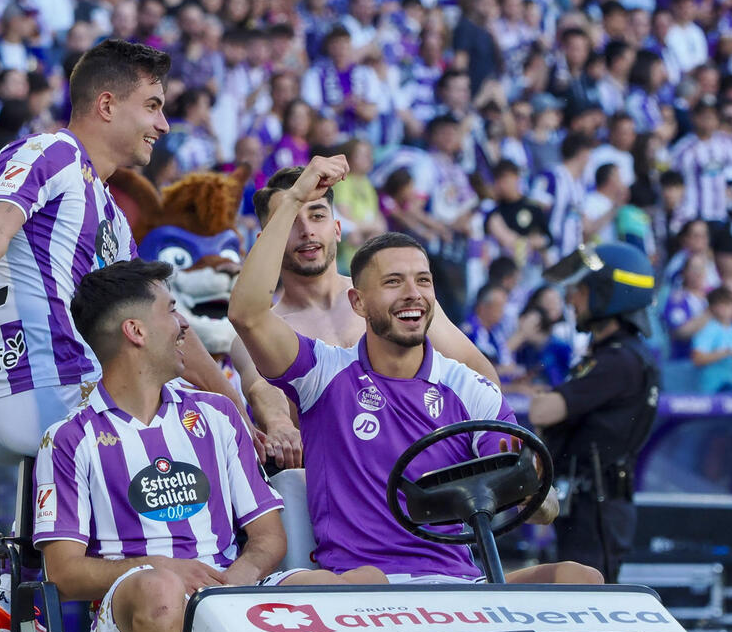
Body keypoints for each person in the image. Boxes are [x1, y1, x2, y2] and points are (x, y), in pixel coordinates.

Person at [35, 260, 382, 632]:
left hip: (225, 583)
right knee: (161, 589)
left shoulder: (217, 413)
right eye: (171, 311)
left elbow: (268, 538)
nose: (183, 326)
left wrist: (238, 580)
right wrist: (164, 568)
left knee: (358, 584)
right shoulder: (69, 438)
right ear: (135, 331)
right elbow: (63, 573)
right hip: (129, 604)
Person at [229, 155, 597, 585]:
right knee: (343, 583)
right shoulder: (322, 370)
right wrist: (292, 197)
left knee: (580, 577)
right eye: (393, 284)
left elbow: (496, 434)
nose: (411, 296)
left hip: (456, 580)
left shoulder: (464, 385)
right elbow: (254, 345)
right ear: (360, 302)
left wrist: (524, 482)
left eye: (423, 283)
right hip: (361, 577)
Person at [0, 39, 247, 464]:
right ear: (107, 105)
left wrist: (236, 405)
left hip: (30, 392)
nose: (163, 124)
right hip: (51, 386)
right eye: (152, 106)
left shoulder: (110, 213)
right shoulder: (53, 151)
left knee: (221, 419)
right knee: (209, 447)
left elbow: (167, 319)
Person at [231, 164, 498, 469]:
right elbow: (261, 390)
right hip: (329, 489)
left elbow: (480, 375)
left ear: (337, 228)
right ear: (270, 240)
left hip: (421, 476)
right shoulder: (261, 330)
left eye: (318, 216)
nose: (307, 231)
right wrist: (279, 424)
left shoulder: (396, 300)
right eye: (290, 220)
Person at [525, 242, 661, 582]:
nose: (572, 300)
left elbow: (543, 412)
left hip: (595, 505)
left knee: (585, 605)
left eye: (582, 290)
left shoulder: (619, 361)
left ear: (609, 295)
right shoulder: (618, 356)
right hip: (589, 502)